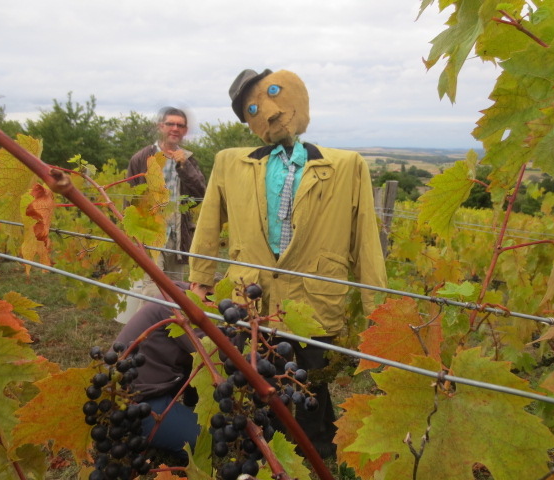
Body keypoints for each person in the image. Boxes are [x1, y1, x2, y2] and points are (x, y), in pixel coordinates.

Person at [188, 69, 387, 457]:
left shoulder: (347, 166)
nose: (271, 111)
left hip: (317, 298)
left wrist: (377, 311)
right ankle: (266, 450)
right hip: (251, 298)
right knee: (257, 381)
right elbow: (208, 222)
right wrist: (200, 280)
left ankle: (317, 452)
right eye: (254, 108)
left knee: (313, 381)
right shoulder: (229, 162)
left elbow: (366, 242)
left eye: (273, 94)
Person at [113, 281, 211, 461]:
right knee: (204, 440)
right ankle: (143, 430)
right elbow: (212, 350)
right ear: (195, 285)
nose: (212, 304)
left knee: (194, 365)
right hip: (134, 403)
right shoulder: (175, 307)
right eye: (209, 296)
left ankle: (181, 416)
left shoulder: (175, 295)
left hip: (151, 388)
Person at [126, 106, 206, 291]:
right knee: (152, 288)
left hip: (178, 235)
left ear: (185, 131)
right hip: (150, 232)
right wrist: (132, 234)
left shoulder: (189, 159)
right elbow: (129, 199)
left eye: (180, 125)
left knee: (175, 289)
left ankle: (171, 320)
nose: (175, 129)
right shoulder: (141, 158)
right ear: (161, 126)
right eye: (170, 124)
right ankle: (149, 320)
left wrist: (184, 166)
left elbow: (200, 193)